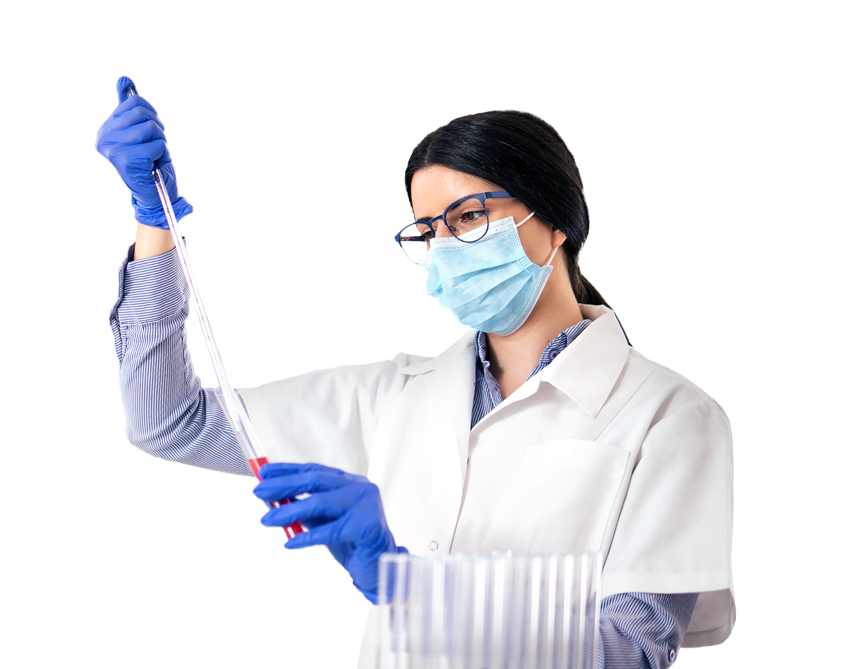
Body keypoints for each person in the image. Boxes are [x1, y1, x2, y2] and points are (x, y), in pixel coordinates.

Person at [101, 76, 733, 669]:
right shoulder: (389, 395)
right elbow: (168, 421)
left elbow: (629, 650)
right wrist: (155, 223)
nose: (444, 249)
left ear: (555, 220)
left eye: (468, 217)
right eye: (427, 231)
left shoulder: (669, 417)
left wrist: (405, 584)